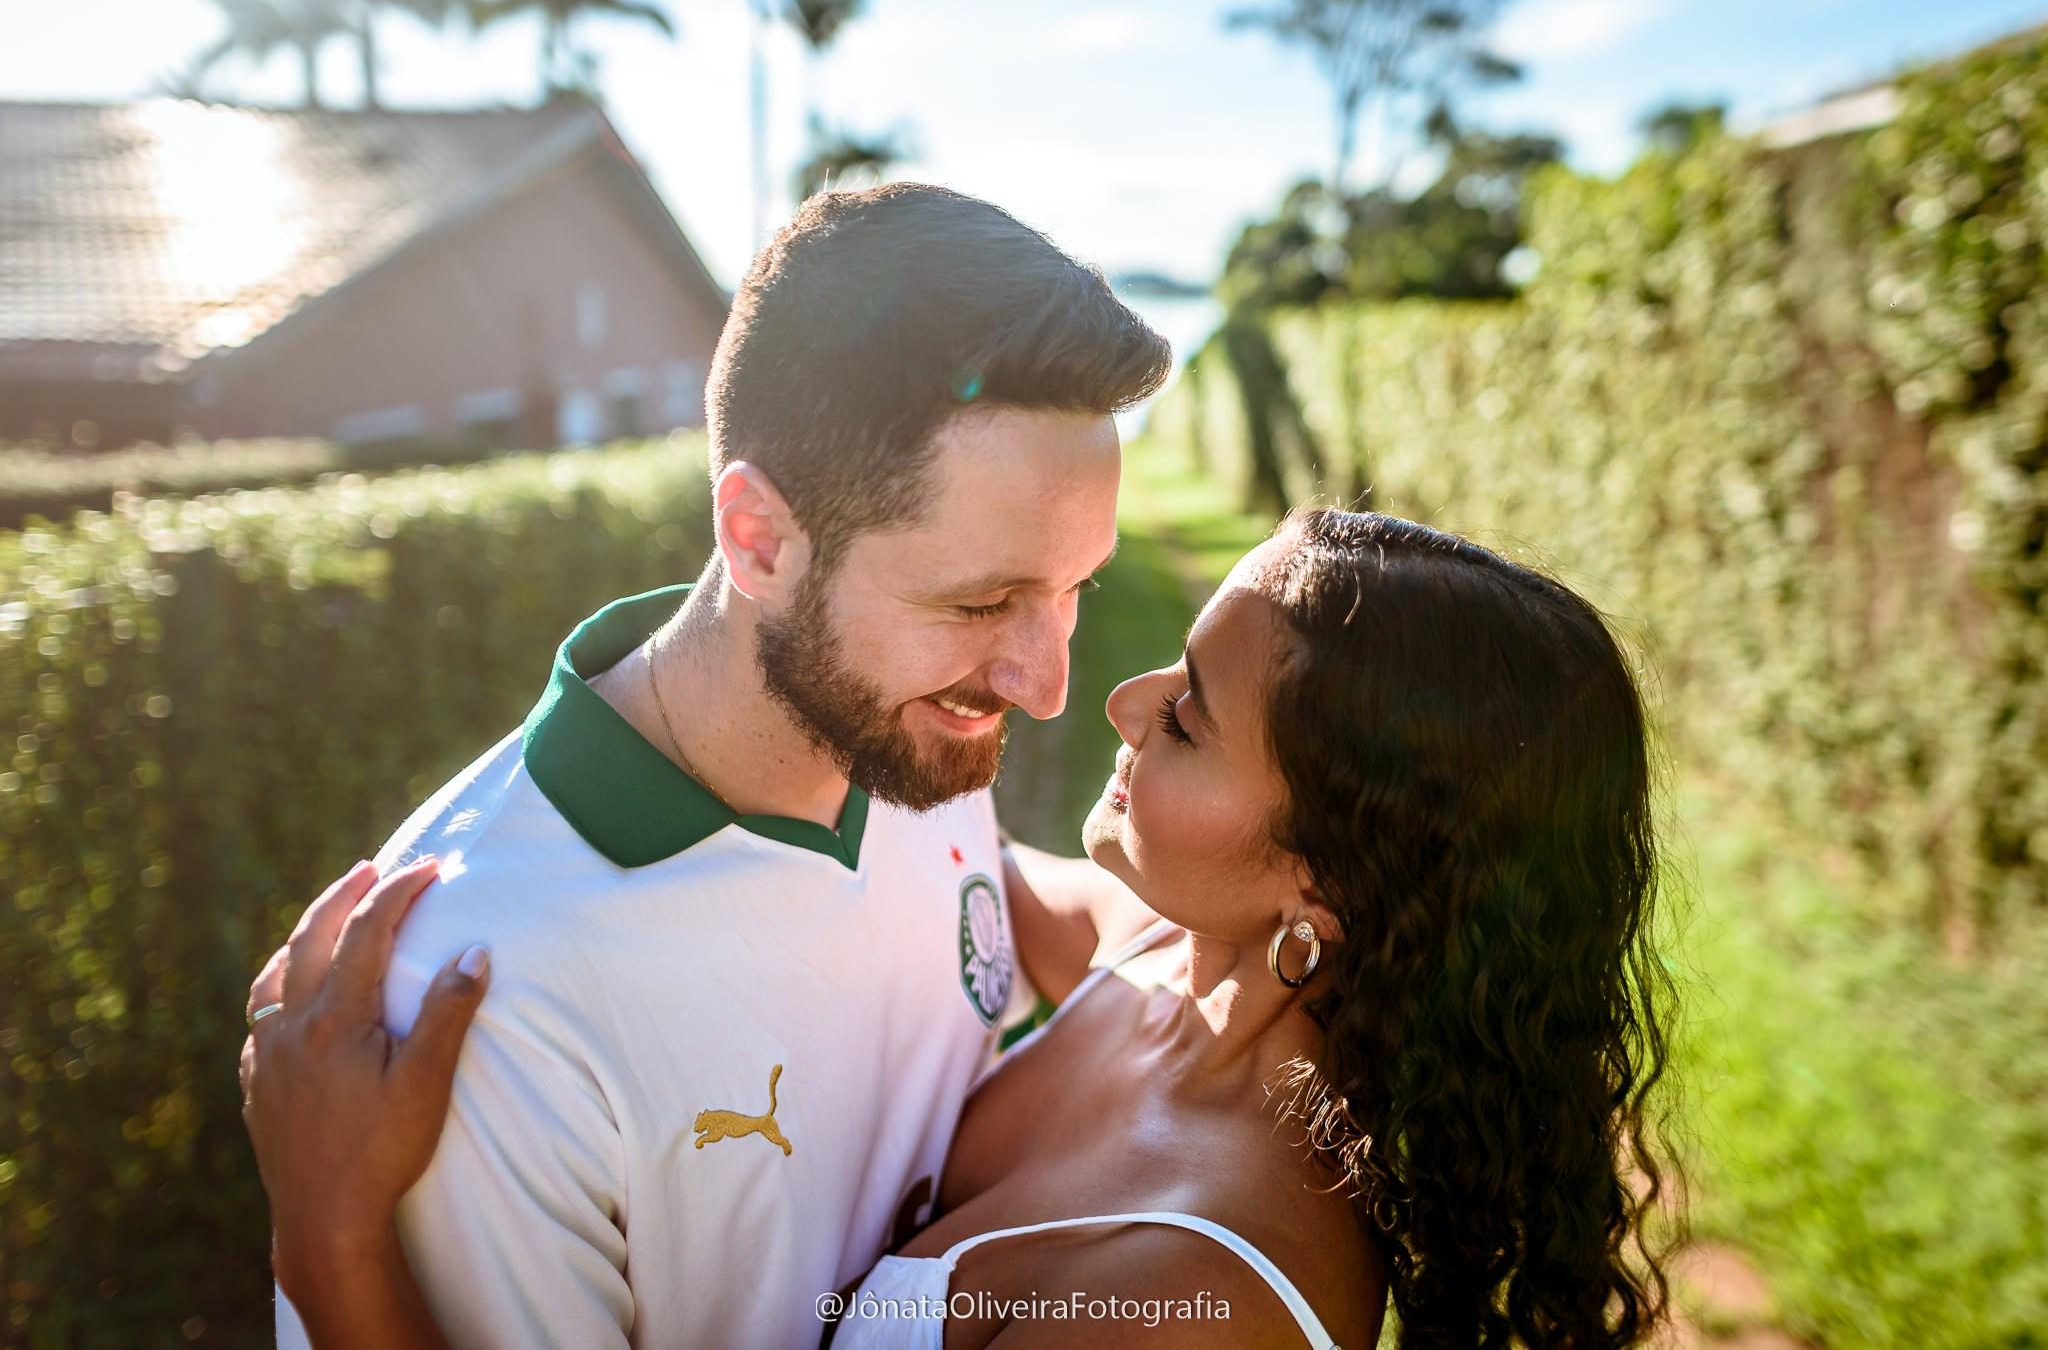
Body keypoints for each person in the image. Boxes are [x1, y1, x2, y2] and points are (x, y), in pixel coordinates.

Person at [244, 508, 1680, 1349]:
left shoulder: (1190, 1303)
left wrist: (330, 1233)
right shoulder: (1159, 953)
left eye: (1185, 715)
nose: (1118, 702)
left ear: (1321, 890)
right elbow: (963, 851)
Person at [241, 182, 1173, 1349]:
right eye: (981, 600)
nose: (1042, 683)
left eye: (1072, 585)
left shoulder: (901, 738)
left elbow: (1011, 904)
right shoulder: (481, 999)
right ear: (759, 538)